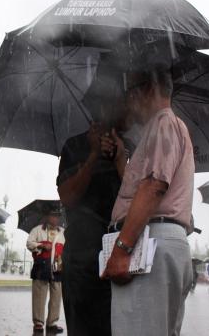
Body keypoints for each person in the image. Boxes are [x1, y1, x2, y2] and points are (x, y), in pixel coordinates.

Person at [102, 66, 194, 336]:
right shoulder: (167, 127)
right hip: (161, 239)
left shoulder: (163, 123)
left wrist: (121, 249)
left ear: (150, 89)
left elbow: (154, 187)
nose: (129, 101)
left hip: (149, 243)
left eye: (131, 92)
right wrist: (123, 162)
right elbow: (143, 187)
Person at [57, 116, 128, 335]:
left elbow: (136, 199)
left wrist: (120, 161)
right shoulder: (74, 145)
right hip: (80, 259)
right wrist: (93, 155)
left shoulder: (128, 147)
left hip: (119, 254)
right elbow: (68, 197)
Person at [26, 207, 66, 334]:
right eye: (53, 215)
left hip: (57, 268)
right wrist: (41, 245)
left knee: (56, 296)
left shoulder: (64, 232)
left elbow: (68, 248)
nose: (55, 218)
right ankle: (38, 322)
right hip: (41, 266)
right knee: (39, 296)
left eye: (57, 216)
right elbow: (29, 243)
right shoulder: (37, 230)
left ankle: (52, 322)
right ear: (47, 217)